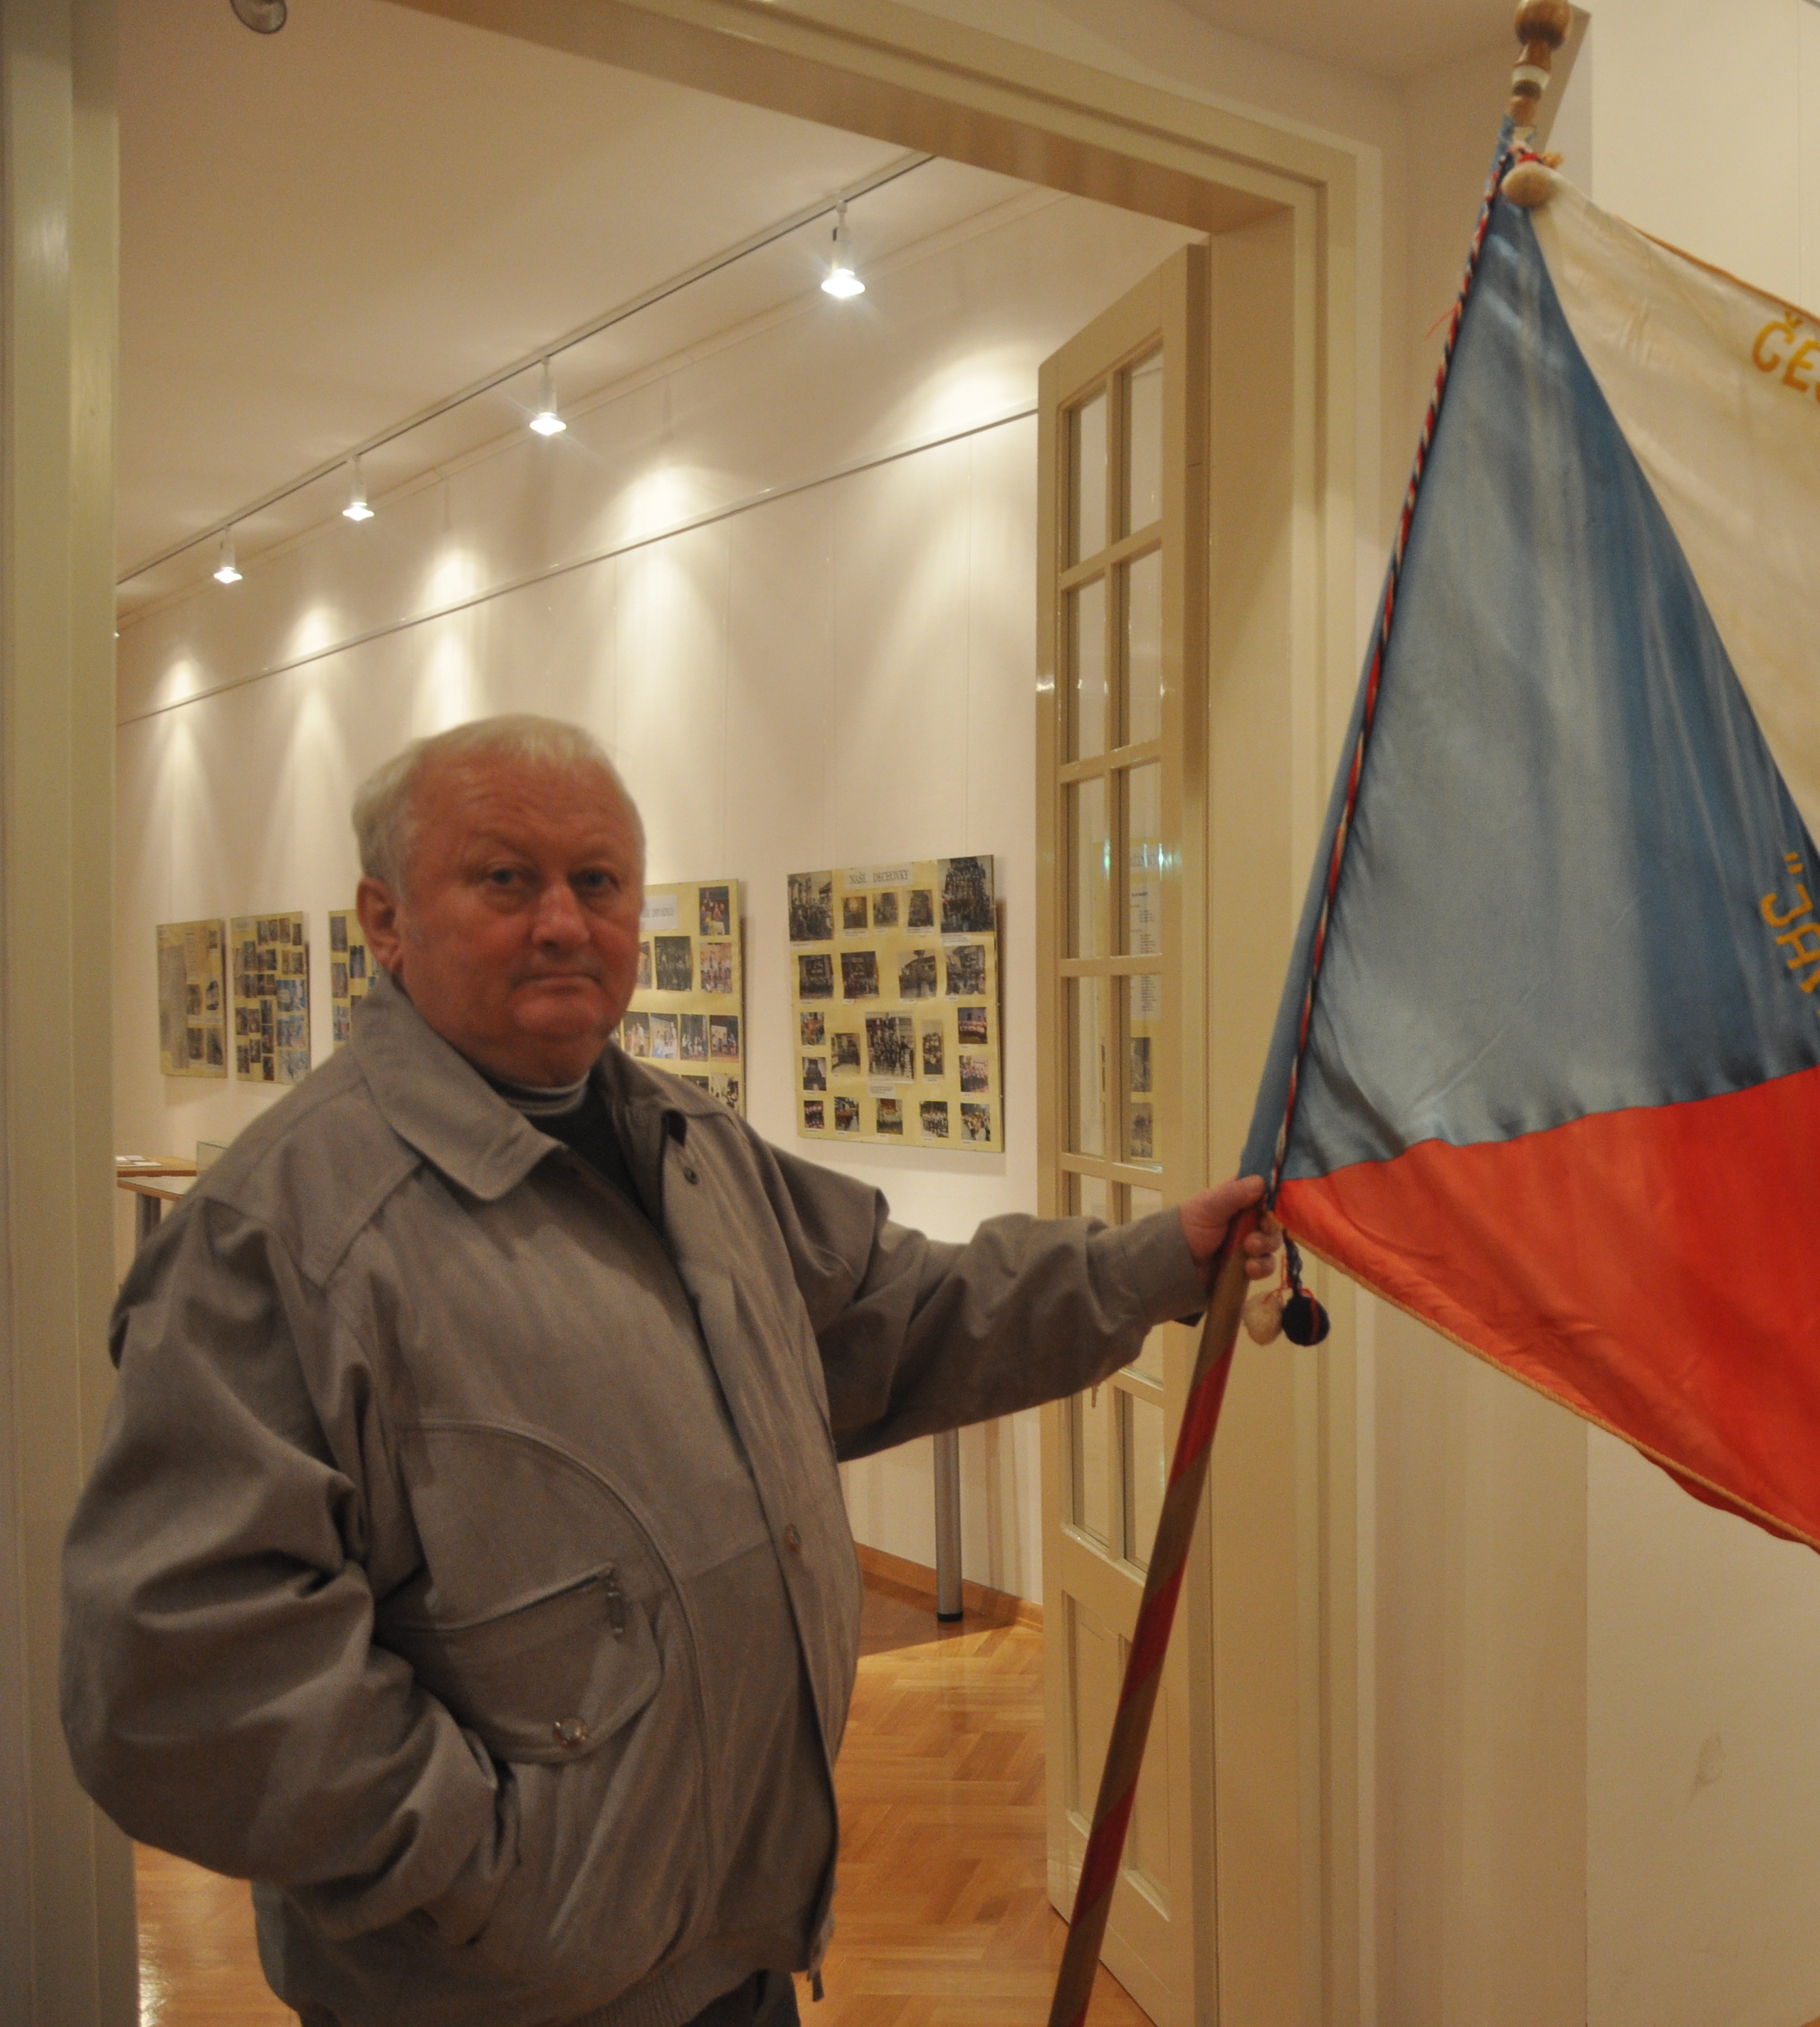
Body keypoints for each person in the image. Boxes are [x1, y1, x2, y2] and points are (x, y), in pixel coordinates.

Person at [62, 716, 1271, 2027]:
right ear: (386, 920)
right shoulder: (284, 1235)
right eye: (506, 879)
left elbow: (907, 1312)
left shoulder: (693, 1150)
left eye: (598, 882)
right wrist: (493, 1880)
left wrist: (1158, 1260)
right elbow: (184, 1670)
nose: (563, 923)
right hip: (496, 1999)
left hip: (737, 1956)